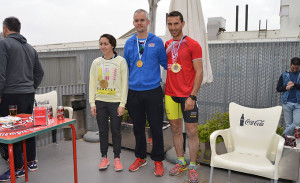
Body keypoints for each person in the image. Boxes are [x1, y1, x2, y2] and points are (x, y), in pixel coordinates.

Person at [123, 9, 167, 176]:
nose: (139, 23)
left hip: (153, 91)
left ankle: (158, 160)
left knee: (156, 127)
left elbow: (165, 64)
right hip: (133, 92)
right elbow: (125, 67)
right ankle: (140, 157)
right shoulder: (128, 43)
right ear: (133, 23)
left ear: (148, 22)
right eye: (136, 20)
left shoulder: (157, 42)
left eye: (142, 20)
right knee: (138, 128)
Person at [0, 17, 44, 181]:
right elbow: (40, 73)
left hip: (10, 95)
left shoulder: (4, 44)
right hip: (27, 95)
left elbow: (0, 74)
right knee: (26, 127)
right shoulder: (30, 48)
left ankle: (17, 168)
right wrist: (30, 88)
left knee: (9, 131)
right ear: (19, 29)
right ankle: (31, 161)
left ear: (5, 29)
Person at [164, 11, 203, 183]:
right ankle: (181, 162)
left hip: (188, 96)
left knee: (192, 131)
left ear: (183, 23)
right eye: (170, 24)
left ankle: (193, 166)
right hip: (170, 95)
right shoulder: (166, 44)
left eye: (176, 24)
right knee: (175, 130)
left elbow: (200, 72)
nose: (173, 27)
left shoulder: (193, 44)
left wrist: (192, 96)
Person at [89, 34, 128, 172]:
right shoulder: (96, 63)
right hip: (100, 102)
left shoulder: (121, 62)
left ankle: (117, 158)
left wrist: (122, 104)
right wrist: (92, 103)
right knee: (103, 131)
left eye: (105, 43)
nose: (103, 46)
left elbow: (124, 84)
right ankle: (104, 158)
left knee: (116, 131)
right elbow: (92, 83)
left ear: (112, 45)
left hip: (115, 102)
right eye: (101, 44)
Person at [276, 57, 300, 136]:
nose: (295, 70)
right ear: (290, 65)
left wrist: (294, 84)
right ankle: (288, 142)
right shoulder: (284, 74)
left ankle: (282, 136)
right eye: (293, 68)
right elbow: (278, 88)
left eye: (297, 68)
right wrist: (285, 87)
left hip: (298, 103)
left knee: (297, 123)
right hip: (286, 102)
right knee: (288, 124)